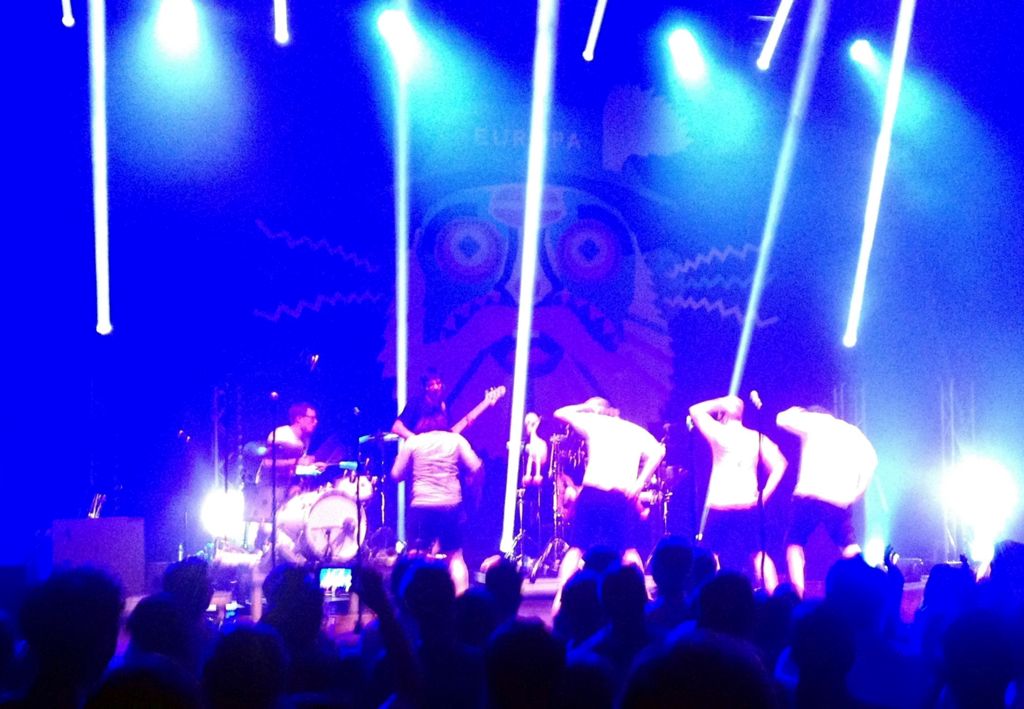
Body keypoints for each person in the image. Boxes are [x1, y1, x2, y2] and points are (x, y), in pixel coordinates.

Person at [552, 397, 665, 605]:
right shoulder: (634, 430)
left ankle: (561, 596)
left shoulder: (595, 422)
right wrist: (639, 483)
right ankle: (642, 595)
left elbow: (560, 412)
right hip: (618, 497)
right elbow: (659, 451)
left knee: (578, 547)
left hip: (594, 494)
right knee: (628, 548)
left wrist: (585, 407)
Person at [776, 405, 877, 597]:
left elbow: (781, 419)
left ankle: (797, 594)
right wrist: (858, 492)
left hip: (809, 495)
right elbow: (871, 460)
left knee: (794, 543)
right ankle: (862, 588)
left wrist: (796, 411)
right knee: (848, 544)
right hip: (839, 498)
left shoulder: (814, 421)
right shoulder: (852, 431)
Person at [689, 394, 787, 591]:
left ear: (722, 414)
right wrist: (764, 495)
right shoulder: (756, 437)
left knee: (712, 555)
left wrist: (721, 402)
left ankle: (710, 598)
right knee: (759, 554)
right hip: (747, 504)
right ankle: (776, 600)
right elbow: (780, 464)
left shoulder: (718, 432)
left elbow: (695, 410)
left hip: (720, 504)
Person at [390, 421, 483, 593]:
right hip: (451, 505)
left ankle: (417, 600)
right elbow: (476, 466)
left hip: (422, 506)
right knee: (455, 556)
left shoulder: (414, 442)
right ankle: (461, 600)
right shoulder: (456, 440)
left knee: (417, 556)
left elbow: (396, 474)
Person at [392, 370, 450, 440]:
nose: (436, 387)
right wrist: (415, 439)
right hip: (420, 445)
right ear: (425, 387)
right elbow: (396, 427)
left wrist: (463, 421)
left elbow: (449, 433)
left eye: (438, 383)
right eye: (431, 384)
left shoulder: (442, 405)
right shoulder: (416, 403)